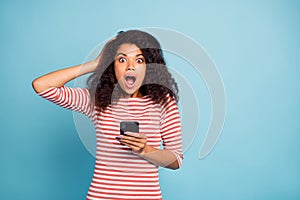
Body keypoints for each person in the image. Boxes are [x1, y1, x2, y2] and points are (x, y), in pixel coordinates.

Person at [32, 30, 183, 200]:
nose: (130, 66)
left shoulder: (164, 103)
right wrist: (95, 64)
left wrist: (146, 151)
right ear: (112, 65)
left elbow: (176, 159)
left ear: (149, 66)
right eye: (122, 59)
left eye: (139, 60)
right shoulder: (96, 100)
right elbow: (41, 86)